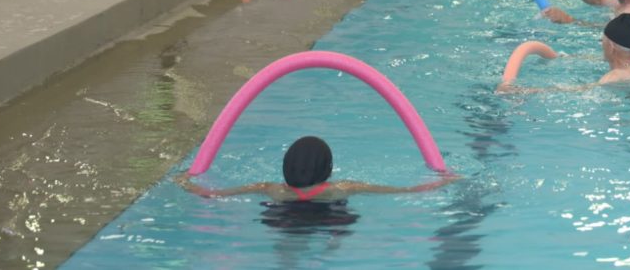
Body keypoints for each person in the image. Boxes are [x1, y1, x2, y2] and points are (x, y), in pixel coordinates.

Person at [176, 135, 458, 201]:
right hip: (330, 216)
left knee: (286, 242)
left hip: (284, 217)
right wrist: (444, 180)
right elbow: (406, 190)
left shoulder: (271, 189)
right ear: (329, 169)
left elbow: (215, 194)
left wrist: (186, 182)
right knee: (337, 231)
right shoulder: (342, 188)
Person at [497, 14, 630, 93]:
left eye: (602, 40)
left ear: (610, 46)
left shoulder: (613, 78)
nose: (600, 44)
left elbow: (571, 92)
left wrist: (521, 91)